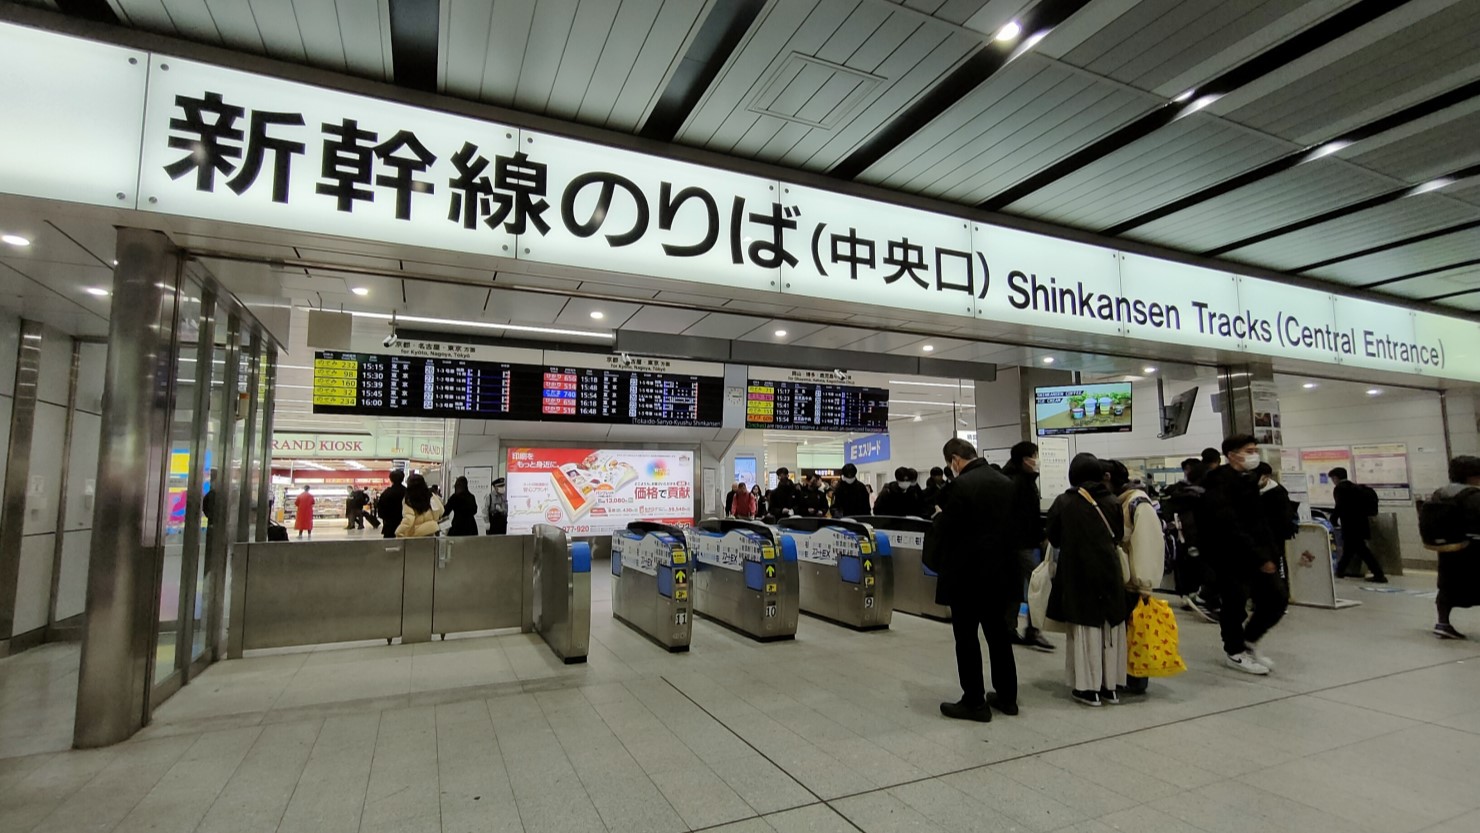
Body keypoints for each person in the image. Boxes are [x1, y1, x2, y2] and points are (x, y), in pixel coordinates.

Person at [933, 438, 1019, 722]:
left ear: (955, 460)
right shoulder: (1006, 482)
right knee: (998, 636)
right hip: (1000, 573)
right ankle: (1007, 698)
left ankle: (974, 702)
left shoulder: (960, 486)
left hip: (967, 576)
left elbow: (949, 529)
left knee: (967, 638)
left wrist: (939, 518)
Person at [1200, 434, 1287, 675]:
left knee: (1277, 599)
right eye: (1248, 450)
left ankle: (1248, 641)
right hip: (1231, 556)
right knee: (1234, 604)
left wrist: (1269, 553)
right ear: (1232, 454)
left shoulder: (1248, 481)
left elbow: (1258, 522)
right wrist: (1260, 556)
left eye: (1254, 450)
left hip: (1257, 553)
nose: (1253, 454)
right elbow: (1230, 525)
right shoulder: (1218, 484)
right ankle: (1235, 651)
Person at [1047, 454, 1129, 707]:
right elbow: (1119, 534)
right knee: (1110, 628)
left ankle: (1087, 688)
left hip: (1078, 572)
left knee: (1085, 631)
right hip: (1110, 571)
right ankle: (1111, 687)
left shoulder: (1064, 502)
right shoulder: (1113, 501)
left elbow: (1055, 538)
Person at [1109, 460, 1164, 695]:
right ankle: (1126, 675)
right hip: (1123, 581)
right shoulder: (1121, 503)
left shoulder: (1138, 504)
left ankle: (1136, 678)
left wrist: (1145, 584)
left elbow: (1147, 545)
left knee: (1136, 633)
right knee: (1128, 633)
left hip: (1134, 583)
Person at [1002, 442, 1053, 651]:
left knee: (1015, 585)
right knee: (1036, 584)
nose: (1036, 459)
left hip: (1021, 542)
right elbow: (1019, 517)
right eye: (1034, 455)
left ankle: (1011, 628)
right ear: (1025, 459)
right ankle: (1031, 629)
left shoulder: (1022, 480)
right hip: (1019, 543)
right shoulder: (1017, 482)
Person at [1431, 455, 1480, 639]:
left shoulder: (1440, 493)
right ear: (1471, 476)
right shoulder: (1473, 496)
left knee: (1447, 586)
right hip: (1474, 549)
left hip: (1448, 550)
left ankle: (1442, 623)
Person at [1330, 467, 1387, 582]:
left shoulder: (1340, 488)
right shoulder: (1355, 487)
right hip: (1361, 524)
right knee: (1350, 550)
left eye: (1332, 478)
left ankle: (1379, 574)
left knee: (1362, 551)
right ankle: (1340, 571)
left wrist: (1333, 519)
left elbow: (1339, 505)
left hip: (1350, 525)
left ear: (1336, 478)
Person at [1255, 463, 1298, 579]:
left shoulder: (1278, 493)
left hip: (1274, 539)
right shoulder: (1252, 491)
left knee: (1277, 569)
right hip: (1258, 541)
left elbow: (1284, 519)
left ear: (1266, 477)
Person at [396, 474, 444, 538]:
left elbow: (408, 519)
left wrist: (399, 532)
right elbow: (441, 511)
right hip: (431, 531)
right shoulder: (431, 496)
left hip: (415, 534)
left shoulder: (408, 499)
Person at [377, 470, 407, 540]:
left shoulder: (386, 493)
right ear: (403, 478)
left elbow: (380, 509)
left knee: (389, 546)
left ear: (390, 479)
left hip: (389, 525)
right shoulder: (407, 492)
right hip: (404, 524)